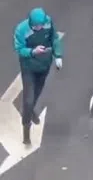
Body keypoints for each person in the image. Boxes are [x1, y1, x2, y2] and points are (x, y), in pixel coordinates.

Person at [14, 8, 62, 146]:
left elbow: (54, 39)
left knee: (37, 93)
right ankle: (26, 130)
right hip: (29, 67)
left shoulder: (48, 23)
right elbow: (19, 49)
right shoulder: (21, 30)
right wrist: (33, 51)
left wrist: (58, 55)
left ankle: (30, 111)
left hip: (44, 66)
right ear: (31, 23)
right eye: (36, 26)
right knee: (28, 100)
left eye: (41, 25)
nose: (39, 28)